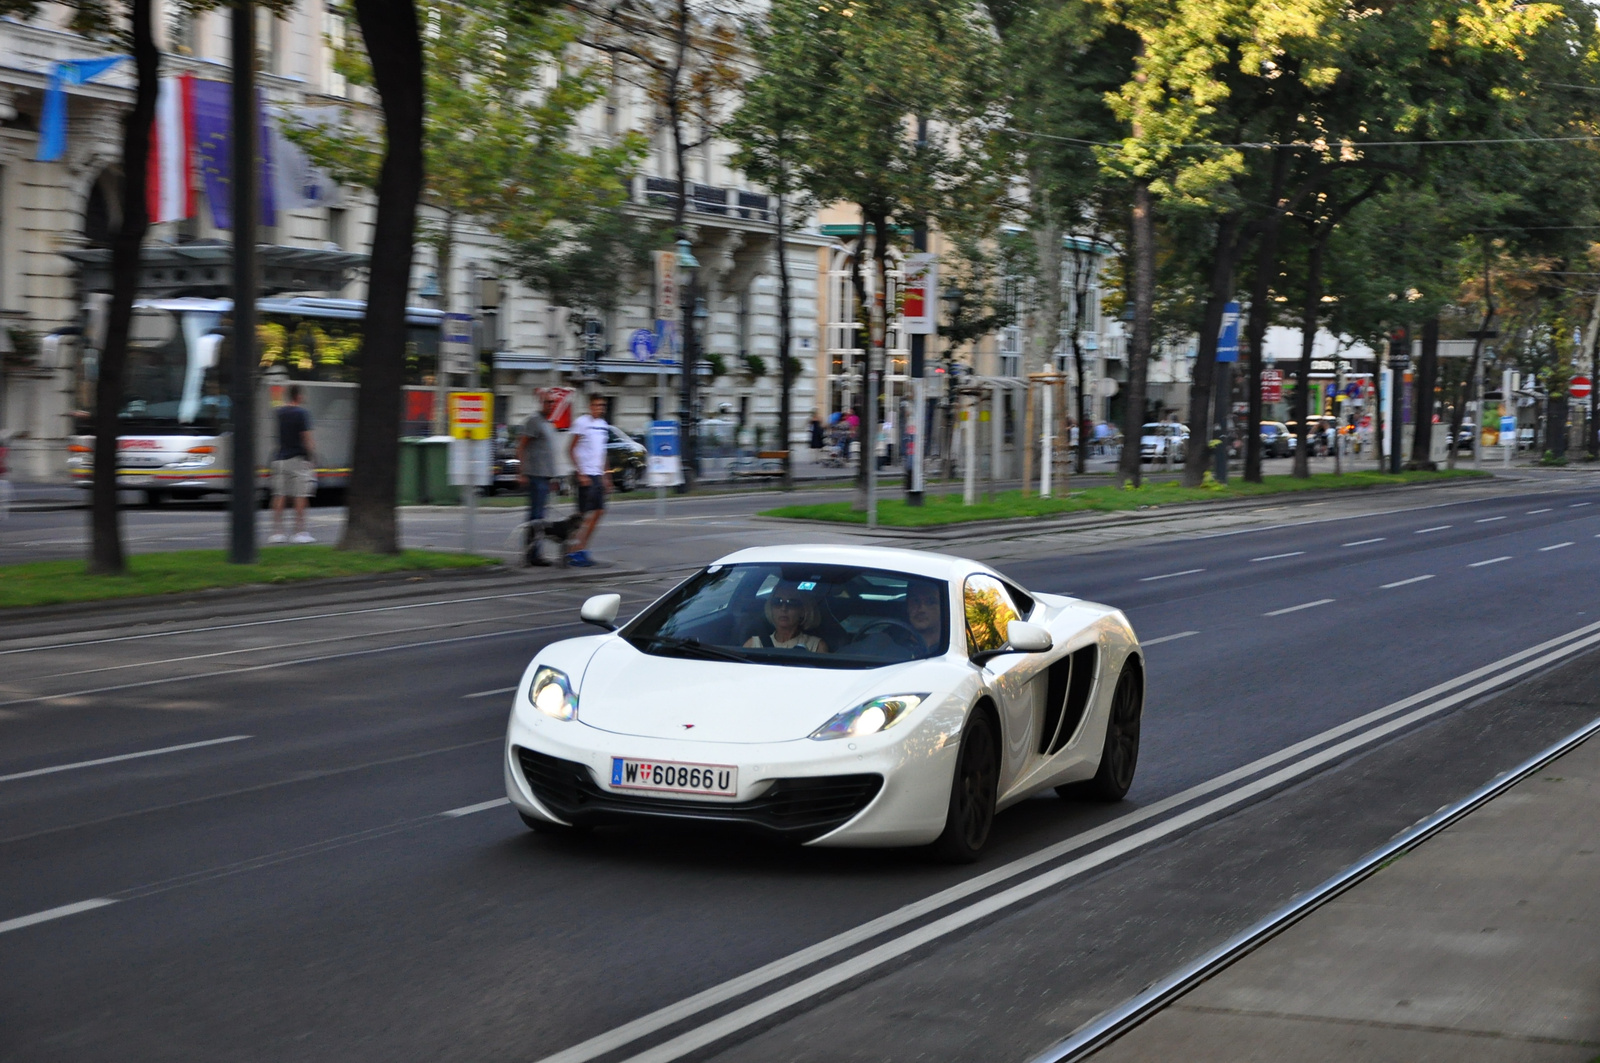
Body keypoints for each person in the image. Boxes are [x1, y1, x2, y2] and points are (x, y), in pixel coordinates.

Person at [565, 392, 611, 567]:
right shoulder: (582, 423)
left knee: (599, 512)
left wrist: (607, 475)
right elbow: (571, 449)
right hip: (586, 474)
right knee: (582, 515)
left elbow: (603, 452)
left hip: (598, 474)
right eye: (597, 405)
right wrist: (580, 473)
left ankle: (582, 547)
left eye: (602, 406)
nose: (600, 408)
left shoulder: (603, 425)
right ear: (590, 406)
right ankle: (571, 551)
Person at [269, 385, 315, 544]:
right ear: (299, 396)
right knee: (300, 496)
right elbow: (306, 438)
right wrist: (311, 457)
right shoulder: (302, 413)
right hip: (297, 459)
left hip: (280, 458)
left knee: (279, 495)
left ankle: (277, 532)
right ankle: (300, 532)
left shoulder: (280, 413)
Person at [517, 394, 560, 566]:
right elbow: (521, 445)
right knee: (535, 517)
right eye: (548, 402)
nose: (551, 405)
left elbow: (547, 453)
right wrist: (521, 472)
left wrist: (553, 477)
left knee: (541, 517)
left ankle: (536, 553)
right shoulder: (534, 421)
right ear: (541, 403)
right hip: (535, 476)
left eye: (553, 402)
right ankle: (531, 554)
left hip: (545, 477)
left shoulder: (548, 423)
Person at [744, 583, 830, 652]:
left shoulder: (816, 646)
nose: (783, 608)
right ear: (771, 608)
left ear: (803, 611)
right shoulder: (753, 644)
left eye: (792, 603)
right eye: (777, 602)